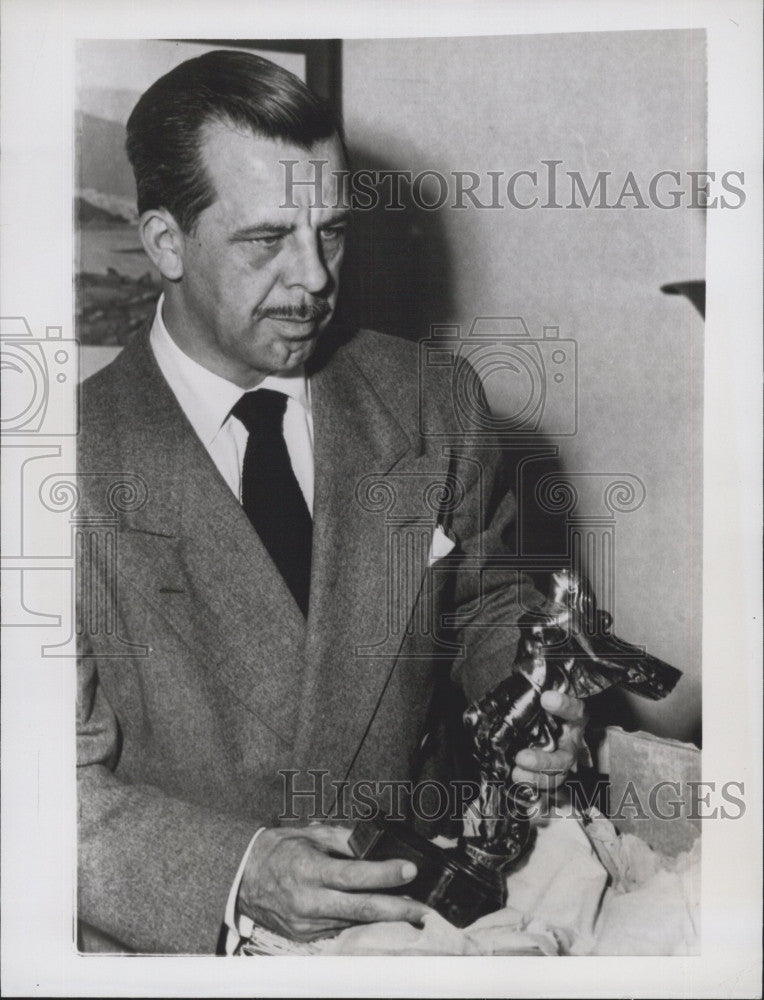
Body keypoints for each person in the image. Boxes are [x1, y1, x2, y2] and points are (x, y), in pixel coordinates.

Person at [76, 49, 587, 954]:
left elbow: (484, 610)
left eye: (333, 231)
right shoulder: (54, 465)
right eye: (268, 240)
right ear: (163, 244)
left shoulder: (436, 400)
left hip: (421, 921)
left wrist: (531, 693)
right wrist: (236, 873)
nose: (315, 278)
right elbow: (37, 792)